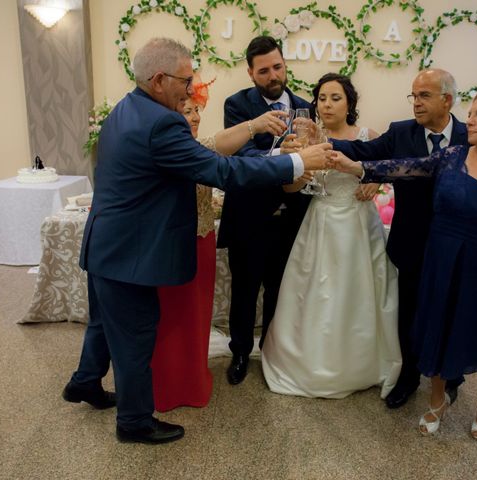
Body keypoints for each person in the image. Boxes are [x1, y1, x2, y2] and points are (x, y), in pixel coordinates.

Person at [61, 37, 331, 445]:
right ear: (157, 80)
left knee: (104, 321)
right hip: (128, 250)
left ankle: (84, 382)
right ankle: (133, 422)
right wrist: (295, 162)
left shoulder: (125, 107)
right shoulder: (162, 122)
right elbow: (222, 171)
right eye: (186, 81)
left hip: (106, 241)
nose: (191, 90)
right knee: (135, 332)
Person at [332, 87, 477, 438]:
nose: (470, 120)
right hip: (441, 257)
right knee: (437, 326)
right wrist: (356, 167)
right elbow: (404, 167)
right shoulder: (451, 156)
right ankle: (436, 399)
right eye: (471, 112)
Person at [330, 69, 468, 409]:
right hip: (410, 241)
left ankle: (451, 375)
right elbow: (363, 148)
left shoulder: (472, 135)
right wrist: (323, 141)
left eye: (424, 96)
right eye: (413, 96)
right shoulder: (400, 132)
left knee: (451, 311)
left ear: (446, 100)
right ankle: (408, 375)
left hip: (457, 245)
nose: (416, 103)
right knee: (407, 314)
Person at [151, 78, 290, 411]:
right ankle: (169, 383)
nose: (195, 116)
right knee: (171, 317)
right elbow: (230, 161)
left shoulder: (199, 145)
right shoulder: (170, 149)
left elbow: (221, 141)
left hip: (203, 241)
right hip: (173, 245)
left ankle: (192, 377)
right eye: (187, 111)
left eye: (197, 109)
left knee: (197, 316)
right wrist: (265, 136)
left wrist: (256, 127)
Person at [261, 73, 402, 398]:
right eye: (321, 98)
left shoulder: (368, 136)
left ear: (349, 103)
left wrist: (376, 179)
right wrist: (296, 170)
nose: (326, 104)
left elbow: (391, 168)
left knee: (360, 293)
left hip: (358, 224)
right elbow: (291, 187)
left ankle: (363, 361)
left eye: (335, 98)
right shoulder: (309, 137)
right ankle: (309, 362)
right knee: (315, 293)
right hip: (321, 221)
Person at [218, 36, 313, 386]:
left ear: (284, 64)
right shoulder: (237, 105)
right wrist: (283, 158)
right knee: (244, 289)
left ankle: (271, 350)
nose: (272, 75)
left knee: (280, 289)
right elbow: (238, 157)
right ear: (250, 73)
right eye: (263, 71)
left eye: (277, 66)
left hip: (292, 215)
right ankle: (240, 352)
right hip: (249, 217)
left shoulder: (306, 105)